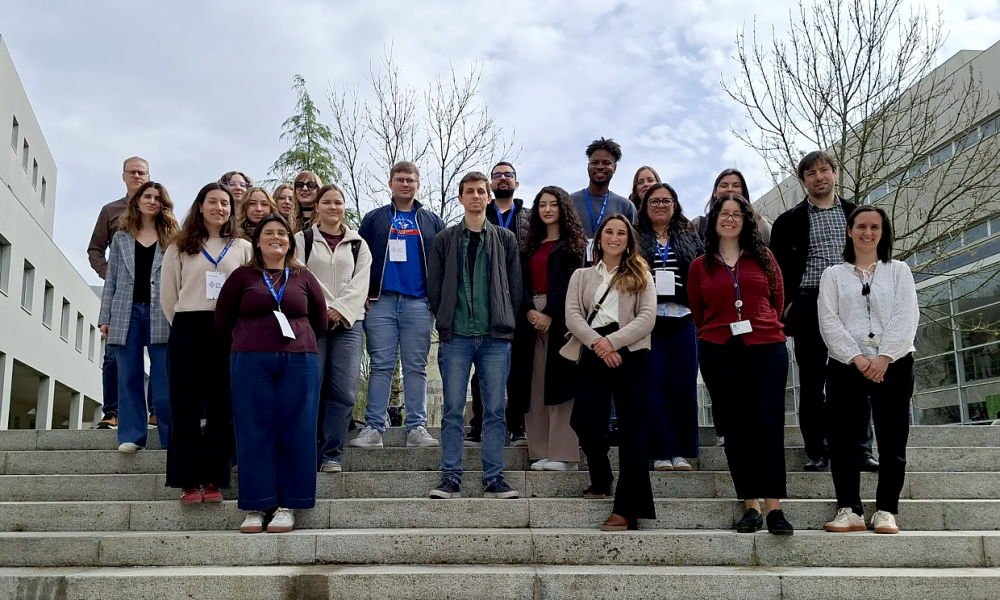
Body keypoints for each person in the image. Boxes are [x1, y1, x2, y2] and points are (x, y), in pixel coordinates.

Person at [688, 193, 794, 535]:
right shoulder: (699, 265)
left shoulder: (764, 259)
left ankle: (775, 507)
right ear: (714, 220)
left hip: (765, 346)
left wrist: (758, 322)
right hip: (720, 348)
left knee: (767, 424)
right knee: (735, 428)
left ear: (746, 221)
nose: (730, 219)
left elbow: (777, 299)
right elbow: (698, 309)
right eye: (723, 213)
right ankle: (749, 504)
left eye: (737, 214)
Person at [216, 214, 328, 534]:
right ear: (258, 241)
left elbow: (319, 319)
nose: (276, 237)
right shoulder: (242, 276)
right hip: (251, 361)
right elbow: (223, 320)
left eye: (282, 233)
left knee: (296, 430)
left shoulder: (303, 277)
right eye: (269, 233)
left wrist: (299, 342)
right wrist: (246, 342)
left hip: (299, 361)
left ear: (290, 242)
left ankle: (287, 506)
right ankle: (255, 506)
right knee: (253, 431)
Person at [770, 152, 876, 472]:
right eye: (811, 173)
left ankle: (861, 449)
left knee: (857, 377)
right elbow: (774, 270)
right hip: (809, 303)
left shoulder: (856, 214)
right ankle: (817, 449)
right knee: (813, 382)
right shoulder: (788, 221)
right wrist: (787, 305)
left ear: (834, 173)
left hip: (853, 303)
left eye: (824, 170)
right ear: (804, 181)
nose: (819, 177)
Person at [820, 206, 917, 535]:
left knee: (892, 440)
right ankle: (849, 509)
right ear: (850, 231)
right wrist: (858, 358)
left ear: (882, 231)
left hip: (894, 363)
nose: (867, 232)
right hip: (847, 364)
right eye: (861, 226)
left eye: (874, 227)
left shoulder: (899, 271)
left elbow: (906, 316)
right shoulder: (833, 274)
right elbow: (828, 321)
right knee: (843, 439)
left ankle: (887, 510)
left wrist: (885, 356)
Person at [427, 172, 522, 500]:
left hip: (495, 338)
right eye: (470, 191)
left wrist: (506, 321)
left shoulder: (506, 239)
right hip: (457, 337)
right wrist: (446, 319)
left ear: (489, 196)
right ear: (461, 198)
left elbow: (514, 287)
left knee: (495, 410)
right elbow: (435, 287)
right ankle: (450, 477)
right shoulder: (445, 239)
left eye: (482, 191)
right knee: (453, 408)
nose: (477, 196)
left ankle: (494, 478)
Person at [160, 182, 253, 505]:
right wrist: (184, 327)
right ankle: (187, 481)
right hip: (188, 327)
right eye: (212, 202)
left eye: (225, 203)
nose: (219, 208)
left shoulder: (242, 247)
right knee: (184, 406)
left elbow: (249, 291)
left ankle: (215, 479)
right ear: (200, 206)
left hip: (227, 331)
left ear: (232, 209)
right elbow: (168, 295)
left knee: (220, 407)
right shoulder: (180, 246)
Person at [564, 213, 656, 531]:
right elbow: (573, 315)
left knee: (633, 433)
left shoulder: (641, 273)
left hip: (630, 353)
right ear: (599, 238)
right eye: (608, 232)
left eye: (621, 233)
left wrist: (613, 343)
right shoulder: (582, 276)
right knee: (585, 420)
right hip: (593, 350)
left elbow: (647, 317)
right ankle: (602, 476)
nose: (614, 237)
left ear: (628, 240)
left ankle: (627, 510)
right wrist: (597, 344)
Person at [353, 161, 445, 448]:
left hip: (419, 302)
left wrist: (437, 300)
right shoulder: (374, 219)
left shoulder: (432, 221)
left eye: (410, 180)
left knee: (415, 367)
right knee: (381, 366)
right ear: (391, 183)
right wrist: (362, 295)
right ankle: (373, 429)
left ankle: (417, 428)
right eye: (400, 179)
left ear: (418, 184)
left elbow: (441, 264)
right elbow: (358, 259)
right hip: (380, 301)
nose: (405, 184)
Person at [295, 184, 372, 474]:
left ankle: (331, 453)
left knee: (343, 391)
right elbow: (301, 275)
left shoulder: (358, 244)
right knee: (309, 388)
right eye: (326, 202)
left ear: (344, 207)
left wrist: (339, 309)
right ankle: (305, 450)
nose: (332, 207)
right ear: (317, 207)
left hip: (349, 324)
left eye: (338, 202)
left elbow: (361, 281)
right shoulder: (301, 240)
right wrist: (325, 307)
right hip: (313, 323)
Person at [98, 181, 178, 453]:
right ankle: (132, 435)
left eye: (157, 198)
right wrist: (104, 316)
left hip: (162, 311)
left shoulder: (173, 238)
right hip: (125, 311)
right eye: (147, 196)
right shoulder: (121, 237)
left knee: (164, 377)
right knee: (129, 375)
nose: (152, 201)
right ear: (137, 201)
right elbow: (112, 279)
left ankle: (170, 436)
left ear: (163, 204)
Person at [510, 186, 586, 471]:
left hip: (562, 318)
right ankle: (541, 451)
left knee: (561, 386)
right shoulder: (529, 246)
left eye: (553, 204)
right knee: (535, 386)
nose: (547, 209)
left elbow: (569, 284)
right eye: (542, 204)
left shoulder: (573, 245)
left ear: (563, 208)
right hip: (530, 320)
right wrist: (530, 309)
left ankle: (564, 455)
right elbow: (521, 282)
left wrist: (551, 314)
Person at [636, 183, 704, 471]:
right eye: (654, 201)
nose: (661, 205)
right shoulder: (638, 238)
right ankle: (660, 451)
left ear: (675, 205)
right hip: (650, 321)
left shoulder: (689, 236)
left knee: (684, 386)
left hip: (684, 319)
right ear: (645, 205)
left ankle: (681, 450)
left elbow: (701, 272)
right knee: (654, 387)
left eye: (666, 200)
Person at [466, 161, 530, 448]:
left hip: (522, 302)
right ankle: (478, 424)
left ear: (516, 183)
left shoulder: (530, 218)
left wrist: (526, 303)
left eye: (508, 175)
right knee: (483, 369)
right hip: (485, 303)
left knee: (518, 369)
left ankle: (517, 425)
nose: (502, 178)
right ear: (490, 186)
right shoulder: (479, 215)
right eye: (497, 175)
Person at [88, 156, 151, 430]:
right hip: (121, 297)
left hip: (153, 295)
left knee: (159, 355)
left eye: (142, 173)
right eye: (132, 172)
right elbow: (95, 250)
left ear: (149, 176)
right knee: (114, 355)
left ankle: (155, 411)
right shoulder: (110, 210)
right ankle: (111, 412)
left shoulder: (159, 212)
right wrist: (110, 275)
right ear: (123, 176)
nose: (137, 177)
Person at [570, 138, 638, 250]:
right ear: (588, 166)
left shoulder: (626, 206)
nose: (600, 166)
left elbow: (632, 247)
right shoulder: (570, 202)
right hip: (574, 266)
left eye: (606, 163)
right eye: (595, 162)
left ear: (614, 168)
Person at [692, 169, 771, 246]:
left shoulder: (760, 224)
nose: (730, 189)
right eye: (724, 186)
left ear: (743, 192)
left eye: (736, 186)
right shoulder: (698, 225)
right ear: (714, 192)